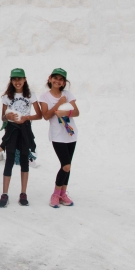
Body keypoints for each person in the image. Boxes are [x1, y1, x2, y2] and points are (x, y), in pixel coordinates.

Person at [0, 68, 42, 207]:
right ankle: (5, 193)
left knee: (24, 160)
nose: (17, 82)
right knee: (9, 159)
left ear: (24, 79)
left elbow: (39, 115)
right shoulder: (7, 96)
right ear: (11, 80)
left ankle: (23, 193)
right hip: (11, 129)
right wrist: (7, 117)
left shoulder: (30, 95)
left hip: (25, 129)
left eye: (19, 79)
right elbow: (3, 117)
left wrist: (26, 117)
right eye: (14, 79)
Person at [39, 68, 80, 208]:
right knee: (66, 165)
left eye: (61, 79)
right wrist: (59, 103)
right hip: (57, 136)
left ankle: (63, 193)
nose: (58, 81)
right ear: (50, 78)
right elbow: (46, 115)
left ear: (64, 82)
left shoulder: (68, 94)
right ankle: (55, 194)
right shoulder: (45, 97)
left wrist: (65, 112)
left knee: (67, 166)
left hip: (70, 134)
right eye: (55, 78)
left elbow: (76, 112)